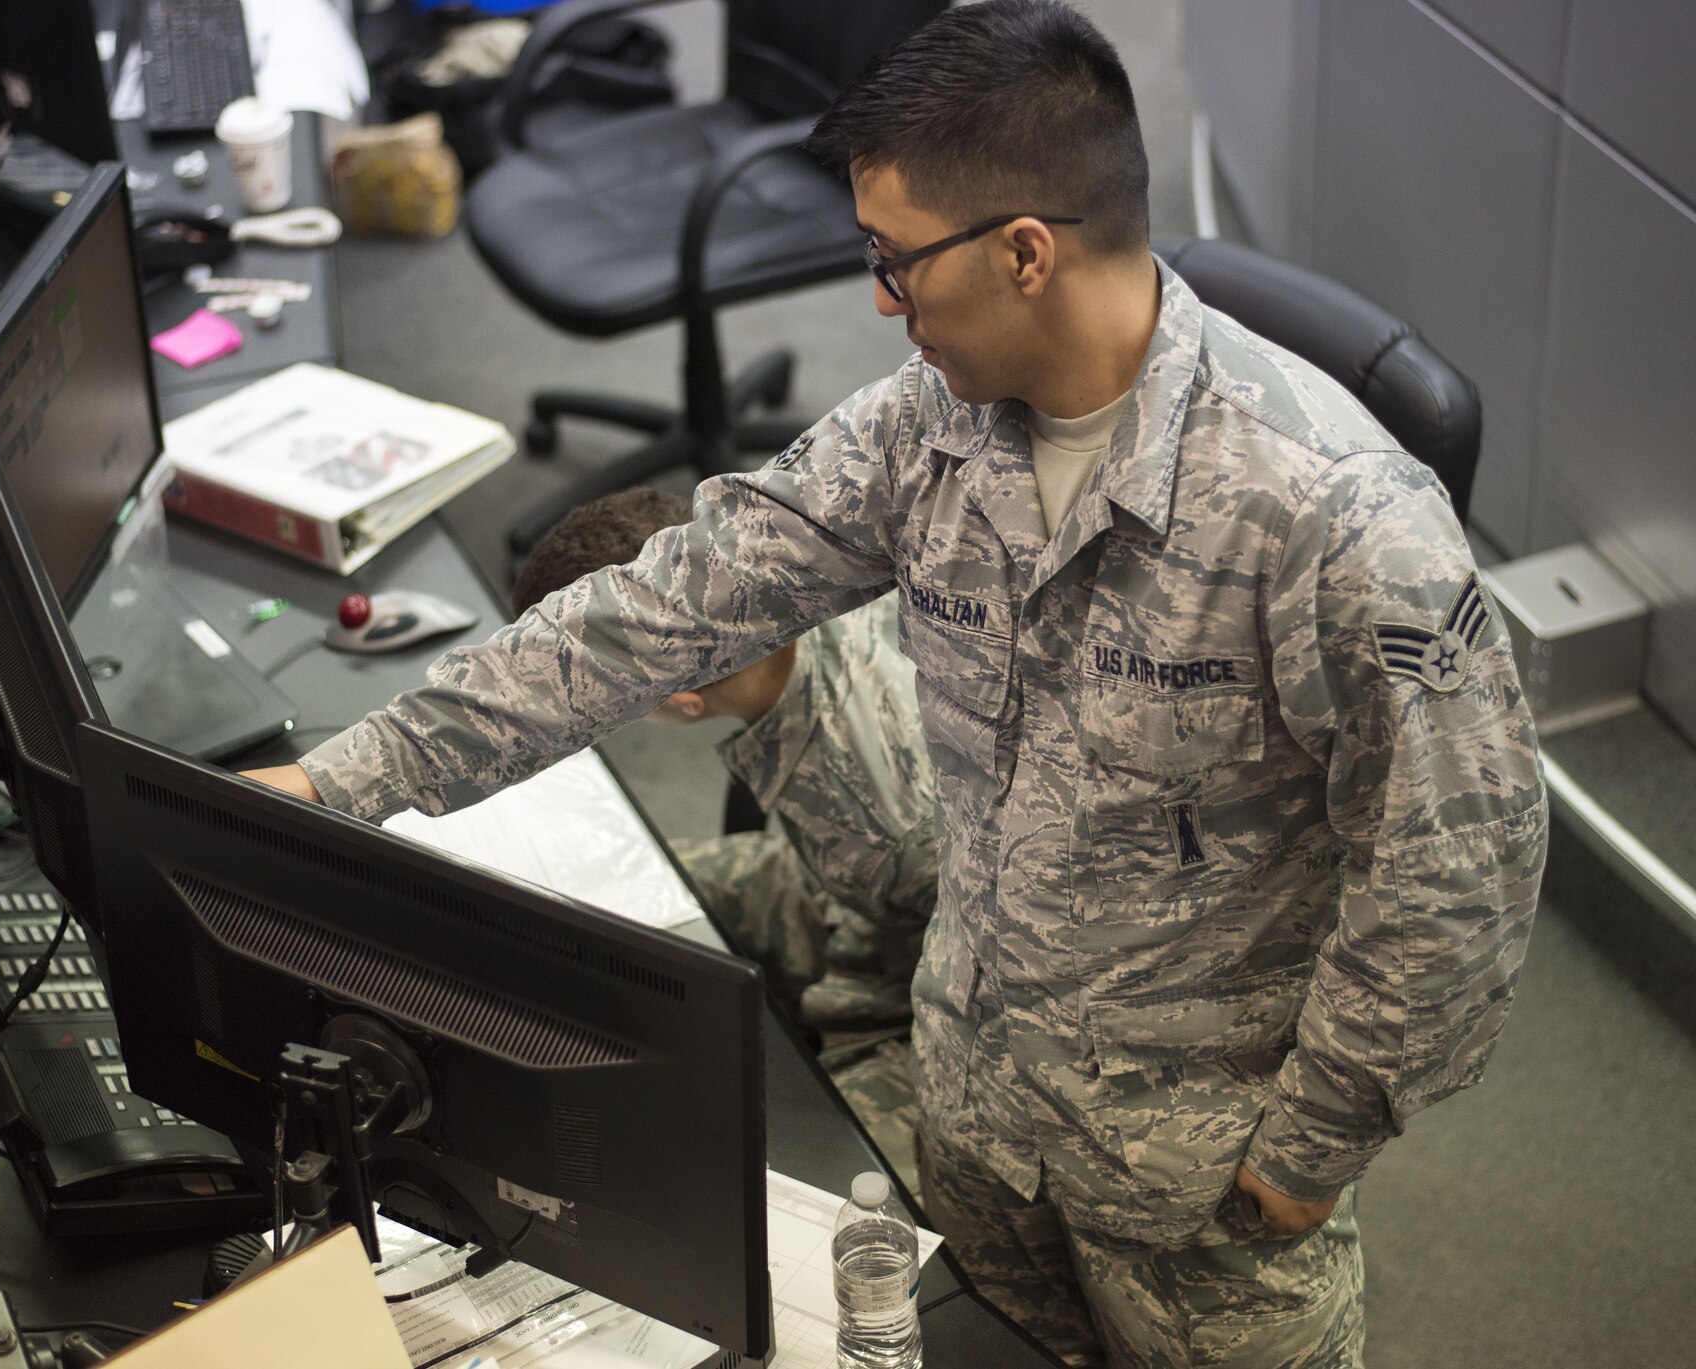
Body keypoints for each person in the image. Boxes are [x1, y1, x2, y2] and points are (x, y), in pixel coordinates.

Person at [246, 3, 1547, 1363]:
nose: (880, 298)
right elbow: (653, 611)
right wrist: (343, 781)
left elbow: (1458, 866)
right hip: (978, 1114)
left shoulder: (1332, 519)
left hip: (1203, 1196)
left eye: (895, 260)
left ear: (1027, 253)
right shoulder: (930, 433)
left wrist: (1322, 1133)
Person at [513, 488, 935, 1169]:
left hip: (919, 994)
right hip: (850, 891)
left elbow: (985, 1006)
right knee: (588, 896)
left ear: (677, 698)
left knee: (785, 1181)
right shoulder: (806, 568)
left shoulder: (888, 815)